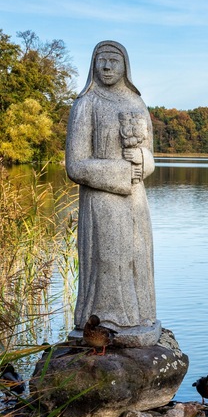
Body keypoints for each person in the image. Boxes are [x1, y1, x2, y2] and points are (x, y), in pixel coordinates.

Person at [65, 40, 161, 347]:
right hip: (102, 201)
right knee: (108, 260)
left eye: (113, 61)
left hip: (135, 201)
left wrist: (142, 162)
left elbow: (149, 156)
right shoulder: (85, 104)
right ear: (93, 66)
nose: (107, 67)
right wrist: (122, 172)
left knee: (136, 257)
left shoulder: (137, 104)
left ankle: (139, 319)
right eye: (101, 61)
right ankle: (102, 323)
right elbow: (75, 165)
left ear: (125, 67)